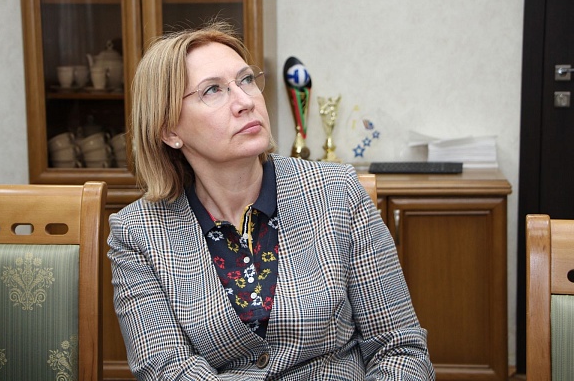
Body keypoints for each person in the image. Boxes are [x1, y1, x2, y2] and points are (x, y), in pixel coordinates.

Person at [107, 21, 435, 380]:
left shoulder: (337, 191)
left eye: (246, 80)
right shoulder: (136, 233)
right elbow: (167, 369)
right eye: (213, 90)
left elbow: (399, 348)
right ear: (169, 130)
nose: (246, 101)